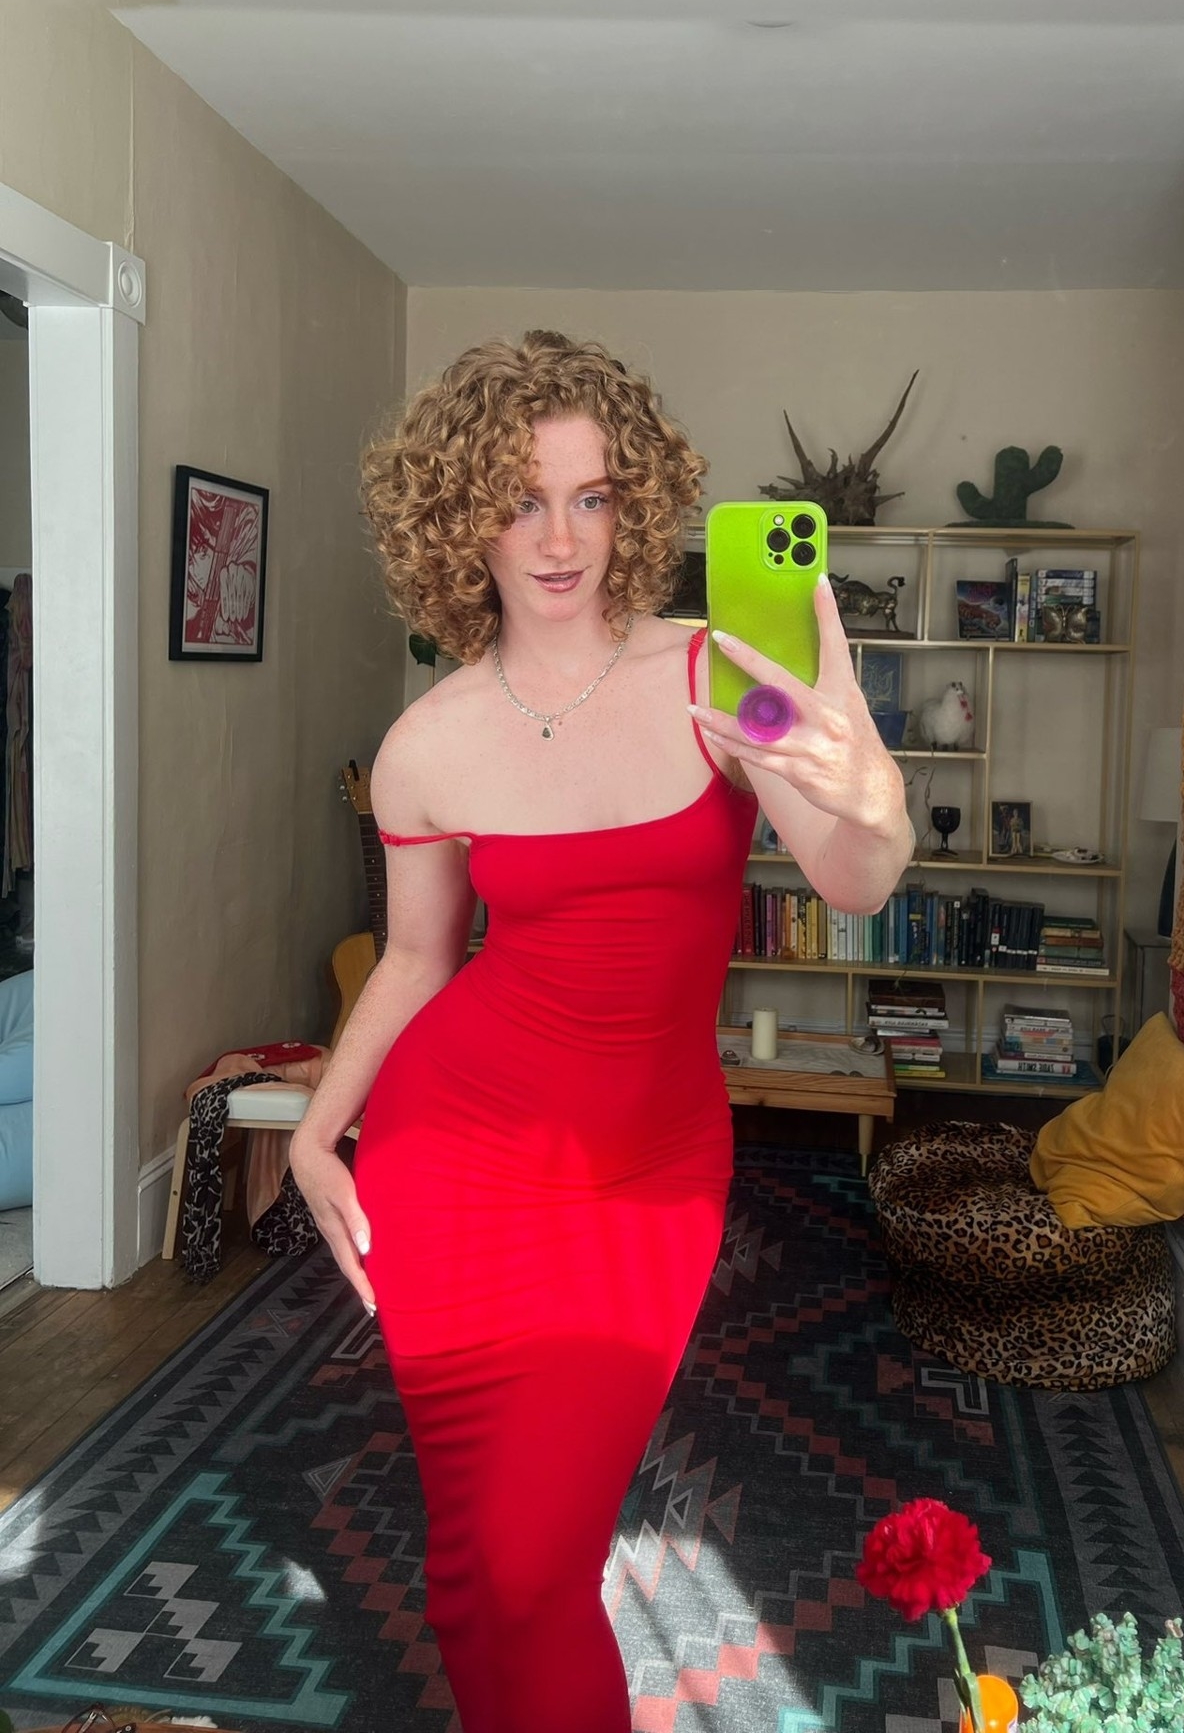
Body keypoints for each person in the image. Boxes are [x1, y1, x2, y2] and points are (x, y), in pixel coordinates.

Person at [288, 330, 912, 1732]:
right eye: (522, 502)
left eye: (592, 497)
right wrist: (320, 1131)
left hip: (646, 1175)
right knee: (476, 1570)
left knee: (531, 1558)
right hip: (450, 1164)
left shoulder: (716, 676)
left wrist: (869, 790)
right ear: (461, 519)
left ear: (635, 506)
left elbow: (855, 880)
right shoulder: (427, 744)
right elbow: (418, 958)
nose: (561, 539)